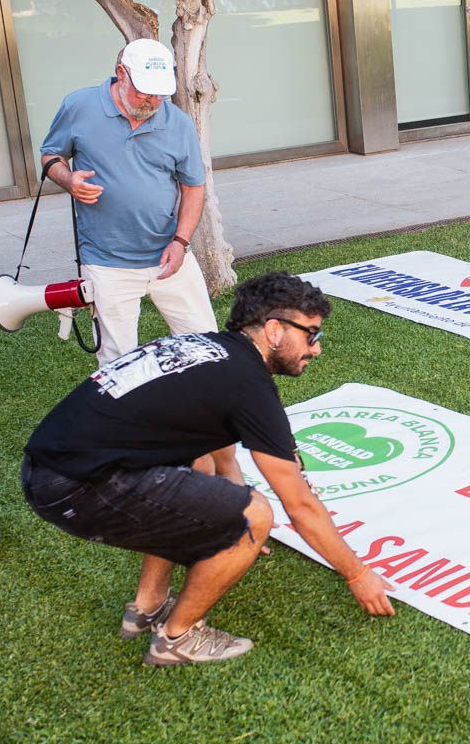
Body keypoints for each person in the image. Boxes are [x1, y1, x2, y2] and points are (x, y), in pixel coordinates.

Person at [21, 271, 395, 666]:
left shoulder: (208, 350)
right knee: (256, 513)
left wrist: (225, 506)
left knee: (198, 467)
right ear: (274, 330)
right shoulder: (248, 384)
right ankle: (177, 638)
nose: (316, 349)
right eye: (311, 335)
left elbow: (210, 441)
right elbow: (299, 505)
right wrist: (356, 574)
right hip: (74, 485)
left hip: (49, 468)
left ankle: (146, 607)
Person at [38, 37, 215, 366]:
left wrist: (181, 241)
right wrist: (68, 179)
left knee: (207, 348)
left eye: (161, 93)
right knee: (118, 363)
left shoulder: (178, 123)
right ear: (121, 73)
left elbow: (194, 187)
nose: (152, 100)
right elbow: (51, 155)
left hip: (169, 255)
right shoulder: (79, 106)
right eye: (145, 91)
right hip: (106, 261)